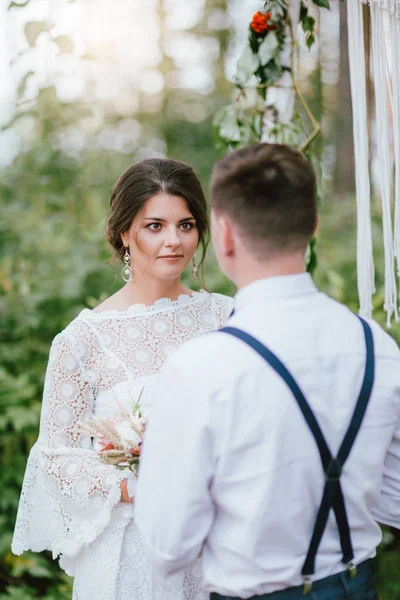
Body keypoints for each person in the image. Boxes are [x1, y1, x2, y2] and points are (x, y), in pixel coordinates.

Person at [135, 143, 400, 600]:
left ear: (224, 233)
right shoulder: (375, 345)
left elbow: (168, 547)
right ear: (312, 226)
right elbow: (395, 499)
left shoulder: (202, 366)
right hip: (358, 588)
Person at [12, 158, 233, 600]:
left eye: (186, 225)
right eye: (155, 225)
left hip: (221, 541)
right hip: (133, 556)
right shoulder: (82, 340)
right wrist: (135, 484)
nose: (174, 241)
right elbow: (57, 458)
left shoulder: (227, 316)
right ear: (124, 233)